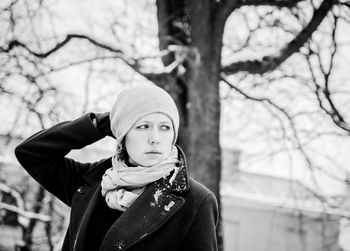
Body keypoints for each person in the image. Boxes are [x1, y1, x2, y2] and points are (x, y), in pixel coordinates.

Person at [14, 85, 218, 251]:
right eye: (143, 126)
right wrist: (100, 124)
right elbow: (31, 153)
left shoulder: (197, 201)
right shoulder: (91, 182)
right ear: (122, 134)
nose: (155, 139)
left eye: (165, 127)